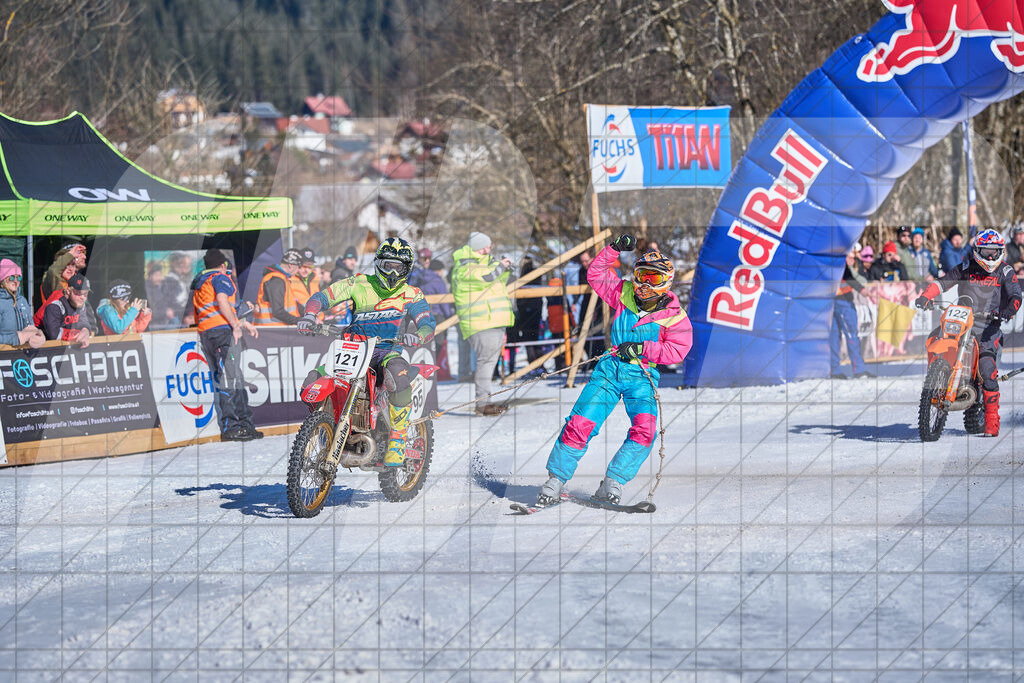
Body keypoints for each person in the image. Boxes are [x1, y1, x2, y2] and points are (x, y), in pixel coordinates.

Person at [537, 234, 692, 506]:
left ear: (666, 282)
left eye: (653, 279)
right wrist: (614, 249)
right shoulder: (624, 293)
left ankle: (613, 482)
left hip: (642, 376)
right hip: (610, 370)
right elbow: (595, 274)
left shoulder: (674, 314)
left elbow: (678, 349)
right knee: (582, 422)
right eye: (641, 275)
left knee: (645, 429)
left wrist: (644, 348)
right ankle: (556, 478)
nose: (644, 284)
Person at [297, 237, 436, 466]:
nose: (392, 272)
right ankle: (323, 429)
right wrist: (311, 315)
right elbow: (322, 297)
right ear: (378, 263)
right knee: (312, 380)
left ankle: (398, 440)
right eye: (388, 265)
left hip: (387, 350)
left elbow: (427, 322)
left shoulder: (412, 294)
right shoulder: (358, 283)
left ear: (406, 269)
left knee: (397, 374)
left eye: (398, 267)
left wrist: (418, 335)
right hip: (353, 348)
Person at [915, 229, 1022, 437]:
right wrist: (926, 296)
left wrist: (1007, 311)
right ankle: (937, 382)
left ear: (1001, 251)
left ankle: (992, 421)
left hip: (988, 327)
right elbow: (943, 282)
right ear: (977, 250)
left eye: (994, 252)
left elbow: (1016, 296)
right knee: (935, 337)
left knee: (987, 369)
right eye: (986, 251)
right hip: (962, 321)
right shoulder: (967, 266)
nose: (990, 256)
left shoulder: (1006, 271)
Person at [193, 249, 262, 442]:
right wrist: (235, 325)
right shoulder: (219, 277)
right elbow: (222, 302)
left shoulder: (202, 282)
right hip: (221, 334)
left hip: (209, 333)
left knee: (233, 377)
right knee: (230, 380)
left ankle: (245, 424)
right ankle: (232, 426)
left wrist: (241, 322)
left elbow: (217, 310)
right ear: (222, 265)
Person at [451, 232, 514, 415]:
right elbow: (485, 277)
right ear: (475, 248)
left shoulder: (480, 265)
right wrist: (499, 266)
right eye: (485, 247)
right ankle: (482, 403)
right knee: (485, 362)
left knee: (489, 362)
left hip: (491, 321)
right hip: (481, 322)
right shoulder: (465, 267)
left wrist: (507, 268)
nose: (488, 250)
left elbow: (499, 279)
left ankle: (486, 401)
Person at [831, 248, 870, 379]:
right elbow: (848, 275)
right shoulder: (839, 258)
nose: (853, 258)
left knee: (835, 336)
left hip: (835, 300)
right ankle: (858, 370)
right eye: (851, 255)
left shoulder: (832, 255)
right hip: (843, 301)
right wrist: (861, 289)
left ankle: (834, 370)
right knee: (851, 334)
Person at [41, 272, 96, 347]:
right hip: (47, 351)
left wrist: (85, 331)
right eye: (78, 293)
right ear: (68, 291)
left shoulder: (81, 306)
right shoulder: (55, 307)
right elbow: (54, 334)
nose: (82, 297)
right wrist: (78, 335)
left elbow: (84, 323)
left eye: (85, 294)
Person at [0, 259, 44, 348]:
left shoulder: (22, 300)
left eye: (18, 277)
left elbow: (30, 325)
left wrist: (36, 335)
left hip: (22, 356)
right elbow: (21, 337)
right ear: (3, 279)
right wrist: (18, 338)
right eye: (11, 277)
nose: (16, 281)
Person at [255, 249, 302, 325]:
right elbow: (278, 311)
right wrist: (299, 321)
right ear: (290, 266)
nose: (299, 271)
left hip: (279, 330)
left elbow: (292, 302)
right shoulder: (276, 280)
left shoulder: (282, 279)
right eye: (298, 267)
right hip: (273, 330)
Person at [35, 251, 77, 325]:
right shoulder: (51, 281)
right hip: (52, 329)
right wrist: (70, 254)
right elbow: (53, 272)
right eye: (66, 265)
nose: (70, 269)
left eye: (73, 265)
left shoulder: (77, 286)